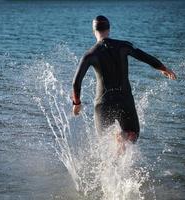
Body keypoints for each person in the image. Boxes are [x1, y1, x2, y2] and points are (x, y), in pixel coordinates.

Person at [72, 15, 176, 153]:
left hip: (103, 103)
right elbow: (143, 56)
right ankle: (123, 137)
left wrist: (77, 104)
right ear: (109, 29)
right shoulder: (123, 46)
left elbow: (76, 82)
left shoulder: (90, 54)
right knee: (133, 135)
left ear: (93, 31)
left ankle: (110, 167)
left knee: (104, 140)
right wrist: (163, 68)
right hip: (124, 100)